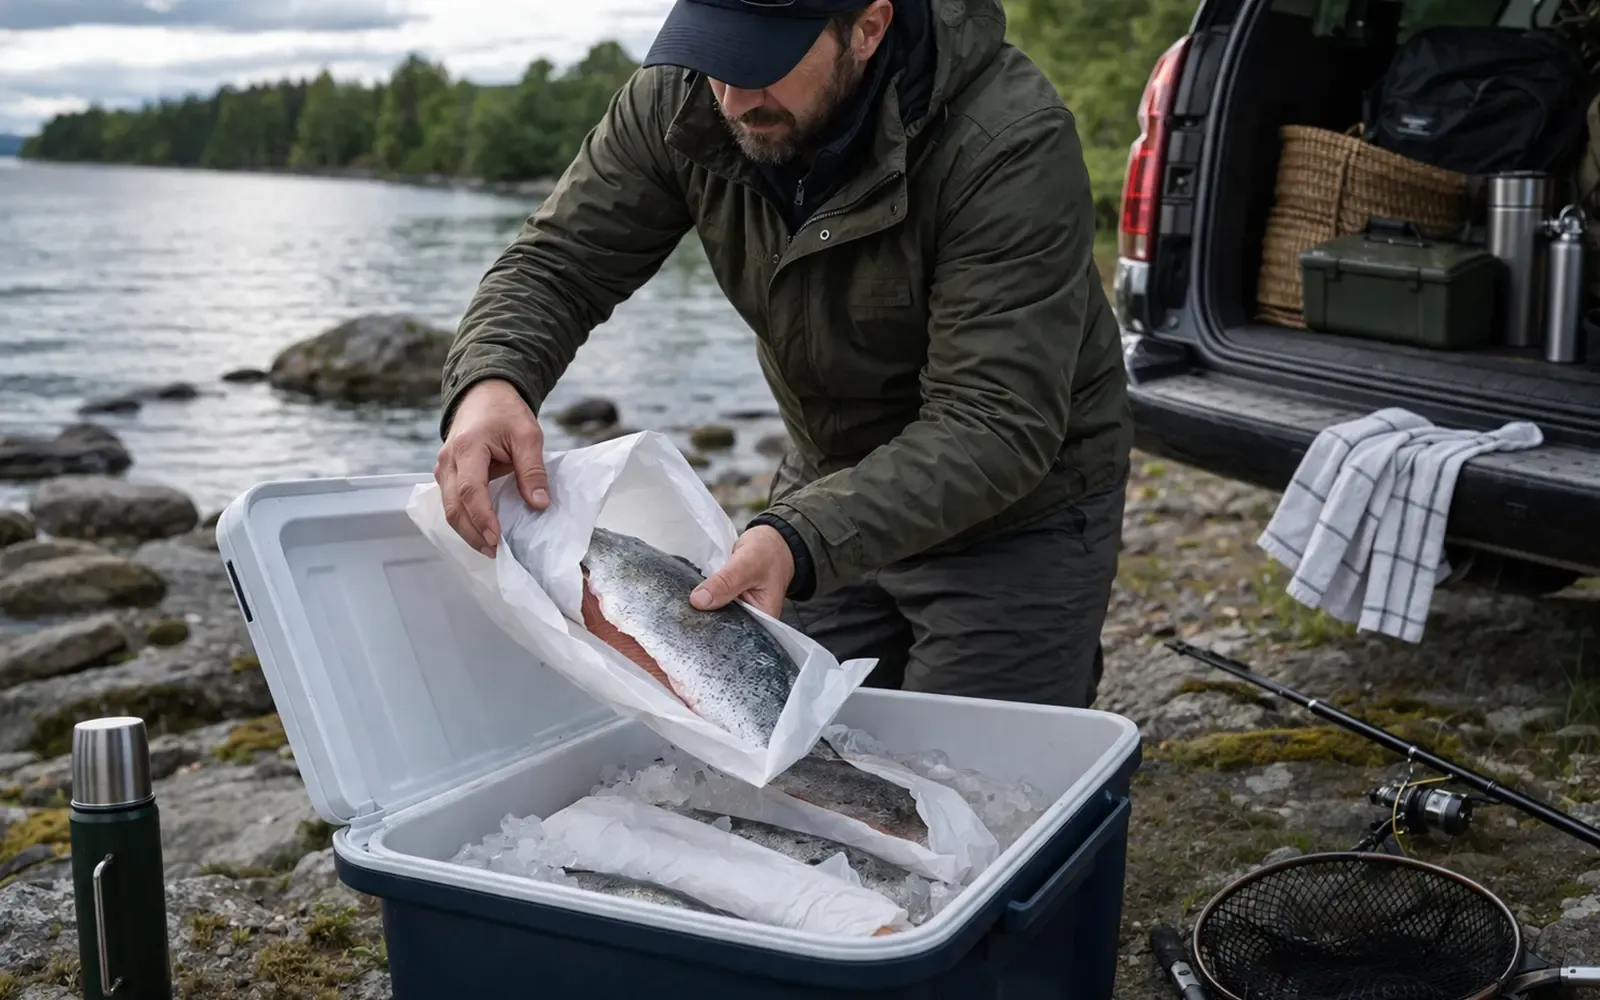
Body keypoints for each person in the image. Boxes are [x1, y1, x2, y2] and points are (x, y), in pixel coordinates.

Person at [433, 0, 1133, 709]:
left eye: (764, 62)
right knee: (800, 753)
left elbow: (996, 421)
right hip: (829, 475)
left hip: (1019, 507)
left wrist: (797, 537)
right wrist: (490, 380)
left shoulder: (1009, 141)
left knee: (986, 789)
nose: (734, 99)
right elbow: (559, 264)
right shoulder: (683, 97)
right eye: (717, 57)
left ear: (868, 27)